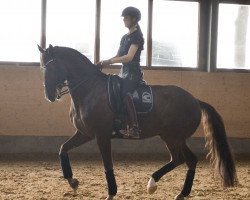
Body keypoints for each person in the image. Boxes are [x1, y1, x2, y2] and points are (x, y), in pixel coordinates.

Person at [98, 6, 144, 139]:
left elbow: (129, 57)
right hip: (123, 72)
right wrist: (105, 62)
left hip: (133, 73)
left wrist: (110, 62)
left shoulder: (137, 37)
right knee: (111, 91)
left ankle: (135, 128)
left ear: (134, 19)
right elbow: (119, 55)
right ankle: (117, 124)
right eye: (124, 18)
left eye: (126, 17)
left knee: (124, 93)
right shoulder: (124, 37)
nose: (123, 20)